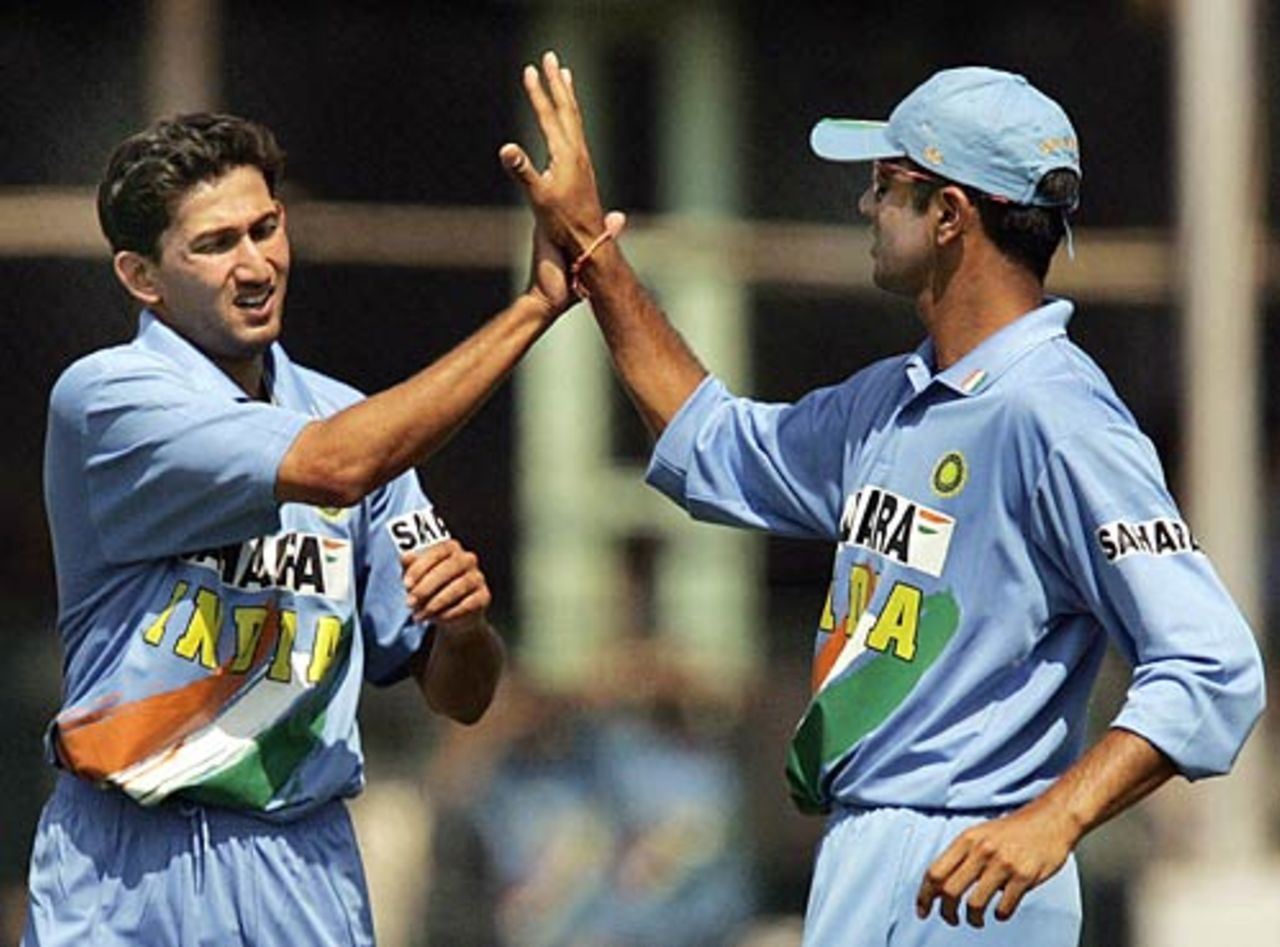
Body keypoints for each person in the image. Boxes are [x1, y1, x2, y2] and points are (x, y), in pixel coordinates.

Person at [501, 53, 1267, 945]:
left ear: (949, 215)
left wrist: (1053, 820)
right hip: (865, 853)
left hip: (973, 873)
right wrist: (593, 251)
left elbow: (1212, 666)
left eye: (885, 184)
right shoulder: (890, 401)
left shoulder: (1058, 414)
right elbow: (714, 445)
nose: (866, 205)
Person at [24, 112, 583, 945]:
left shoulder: (351, 417)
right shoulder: (106, 400)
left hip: (302, 859)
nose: (255, 266)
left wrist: (465, 627)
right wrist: (537, 307)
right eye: (215, 245)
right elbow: (331, 466)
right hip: (130, 859)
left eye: (266, 228)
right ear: (142, 277)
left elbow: (461, 696)